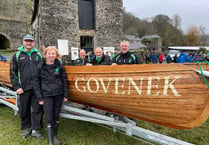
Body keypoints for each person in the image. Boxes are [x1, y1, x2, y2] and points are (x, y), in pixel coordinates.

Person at [10, 34, 43, 139]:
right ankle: (27, 128)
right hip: (23, 88)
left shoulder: (38, 55)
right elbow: (12, 72)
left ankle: (36, 129)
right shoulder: (17, 55)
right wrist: (16, 86)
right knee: (24, 109)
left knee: (37, 108)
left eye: (31, 41)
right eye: (27, 41)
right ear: (23, 42)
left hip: (37, 88)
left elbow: (43, 71)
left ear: (33, 43)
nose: (29, 43)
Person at [33, 46, 68, 145]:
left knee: (56, 116)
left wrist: (66, 94)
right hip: (46, 95)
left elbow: (64, 80)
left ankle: (54, 136)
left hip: (58, 94)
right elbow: (36, 82)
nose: (51, 55)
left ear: (56, 55)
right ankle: (50, 141)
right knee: (49, 116)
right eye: (49, 53)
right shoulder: (40, 66)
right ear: (45, 54)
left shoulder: (60, 66)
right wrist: (39, 97)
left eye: (53, 53)